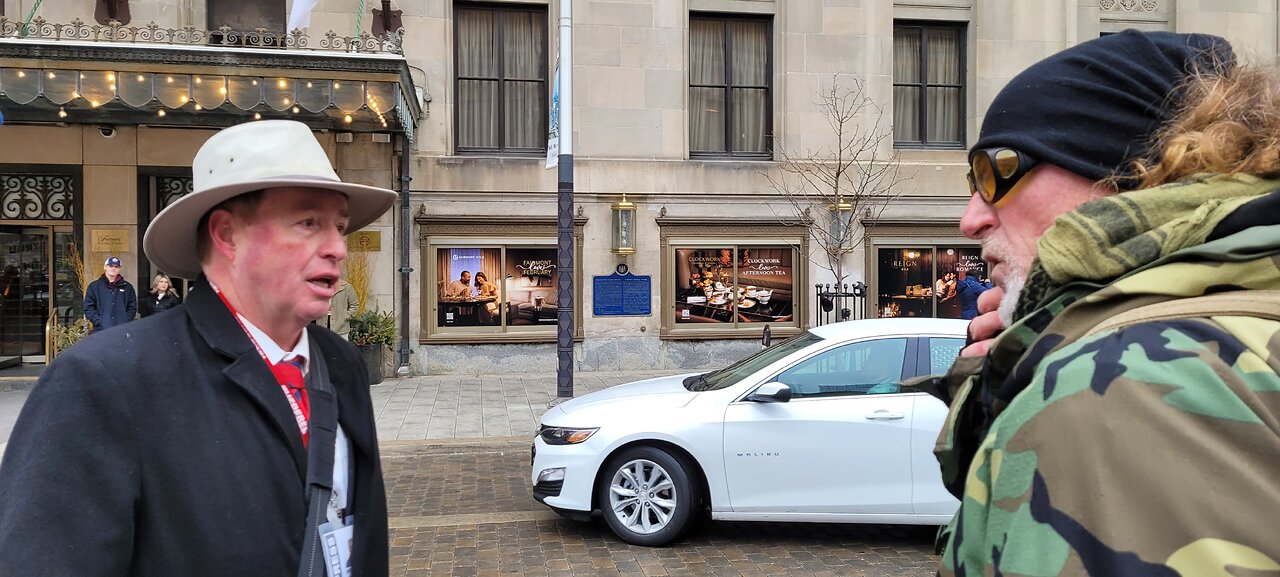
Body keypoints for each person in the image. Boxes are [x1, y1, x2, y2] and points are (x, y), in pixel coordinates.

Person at [933, 30, 1280, 575]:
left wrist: (1056, 384)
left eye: (995, 171)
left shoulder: (1122, 383)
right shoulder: (1240, 320)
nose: (971, 219)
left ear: (1129, 174)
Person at [0, 120, 395, 575]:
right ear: (226, 235)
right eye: (308, 223)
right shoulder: (102, 383)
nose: (336, 249)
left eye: (340, 228)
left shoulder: (340, 362)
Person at [83, 256, 137, 332]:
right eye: (110, 266)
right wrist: (99, 322)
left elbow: (132, 307)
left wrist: (125, 320)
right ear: (105, 267)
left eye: (116, 266)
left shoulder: (127, 287)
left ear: (119, 269)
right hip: (101, 330)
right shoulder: (94, 286)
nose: (113, 268)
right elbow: (88, 307)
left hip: (122, 330)